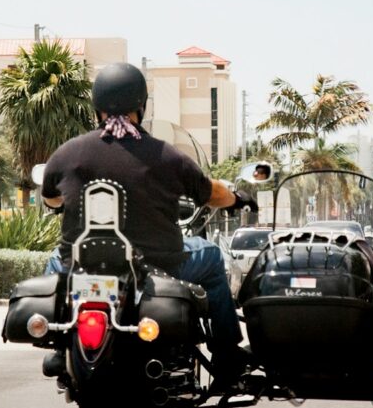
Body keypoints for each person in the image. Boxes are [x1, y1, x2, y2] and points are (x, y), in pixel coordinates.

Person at [39, 62, 257, 386]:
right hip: (158, 265)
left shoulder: (67, 154)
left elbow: (51, 199)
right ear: (141, 105)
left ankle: (59, 347)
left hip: (81, 265)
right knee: (210, 256)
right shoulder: (166, 156)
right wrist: (238, 198)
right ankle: (226, 354)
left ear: (96, 106)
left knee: (55, 260)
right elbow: (211, 193)